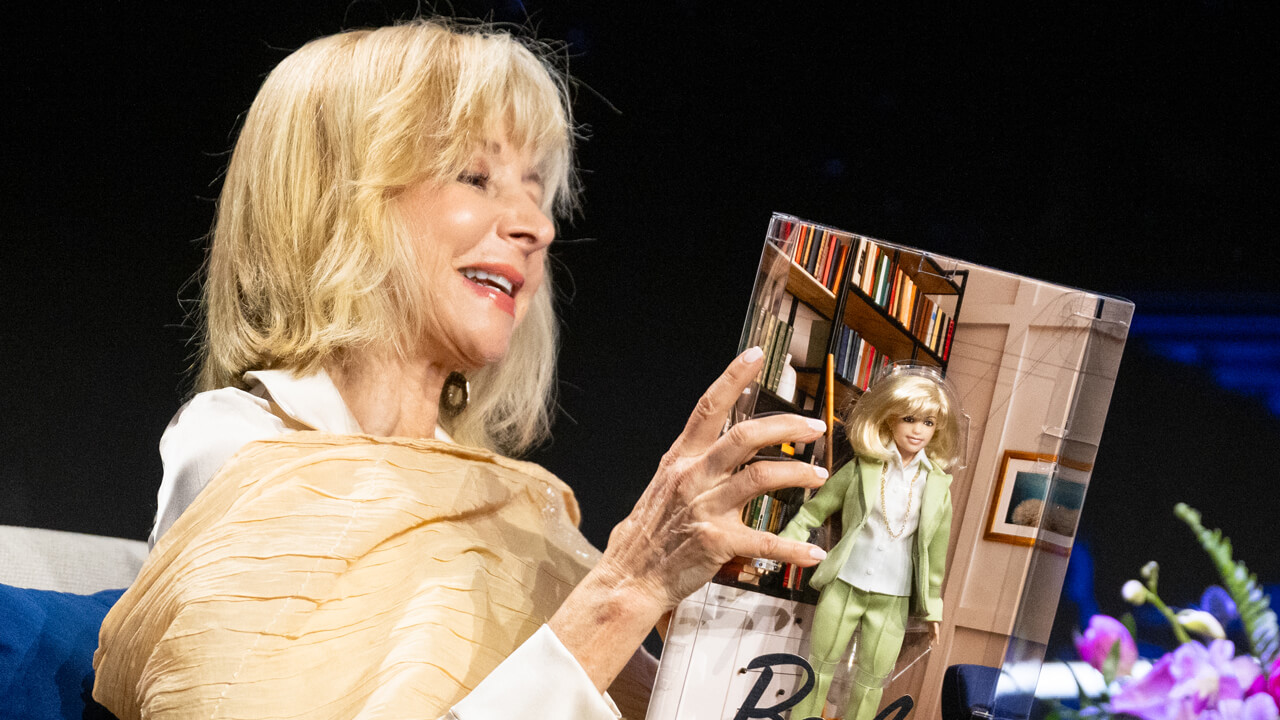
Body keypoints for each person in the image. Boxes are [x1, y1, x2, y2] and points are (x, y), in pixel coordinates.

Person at [91, 18, 831, 720]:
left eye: (535, 189)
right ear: (336, 202)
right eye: (475, 177)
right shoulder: (242, 451)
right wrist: (628, 588)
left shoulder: (515, 511)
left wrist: (724, 632)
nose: (537, 226)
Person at [779, 367, 962, 720]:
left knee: (871, 682)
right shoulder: (863, 467)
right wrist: (786, 544)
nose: (918, 430)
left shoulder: (937, 486)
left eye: (928, 422)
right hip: (845, 583)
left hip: (894, 597)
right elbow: (815, 510)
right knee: (819, 668)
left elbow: (935, 554)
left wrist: (932, 610)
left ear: (937, 428)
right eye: (909, 419)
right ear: (890, 418)